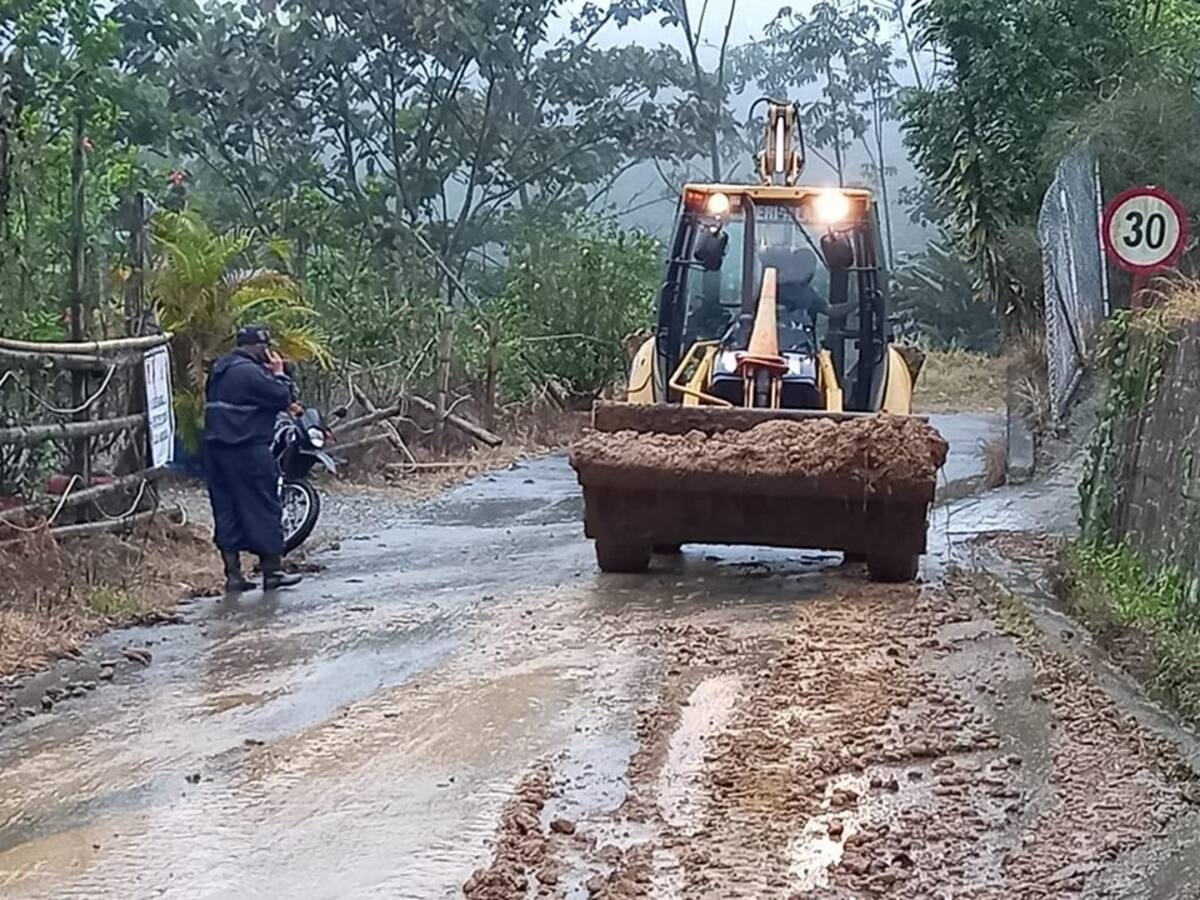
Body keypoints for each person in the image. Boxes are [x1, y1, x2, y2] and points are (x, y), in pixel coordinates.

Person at [204, 325, 303, 592]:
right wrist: (280, 374)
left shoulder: (220, 369)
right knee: (263, 504)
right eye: (265, 347)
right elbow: (281, 396)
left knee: (227, 508)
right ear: (256, 346)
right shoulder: (250, 373)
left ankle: (233, 575)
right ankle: (273, 572)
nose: (269, 352)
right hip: (246, 447)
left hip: (216, 450)